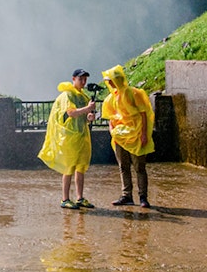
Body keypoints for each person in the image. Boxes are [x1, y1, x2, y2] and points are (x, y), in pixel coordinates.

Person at [38, 68, 97, 209]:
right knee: (68, 167)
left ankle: (80, 197)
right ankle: (65, 199)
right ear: (73, 79)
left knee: (80, 167)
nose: (83, 82)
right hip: (70, 137)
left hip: (82, 136)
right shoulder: (68, 95)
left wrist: (90, 117)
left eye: (85, 79)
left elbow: (84, 117)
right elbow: (70, 113)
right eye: (80, 79)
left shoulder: (83, 96)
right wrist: (86, 109)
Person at [101, 65, 155, 208]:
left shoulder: (133, 93)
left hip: (135, 134)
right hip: (120, 136)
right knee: (123, 166)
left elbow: (143, 113)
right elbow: (111, 117)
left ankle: (143, 197)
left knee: (139, 167)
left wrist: (144, 134)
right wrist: (112, 131)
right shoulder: (111, 98)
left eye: (111, 80)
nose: (110, 83)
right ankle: (127, 196)